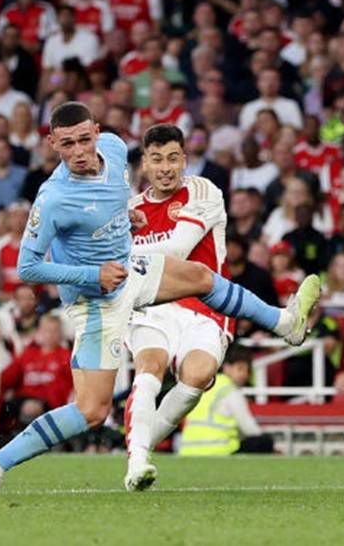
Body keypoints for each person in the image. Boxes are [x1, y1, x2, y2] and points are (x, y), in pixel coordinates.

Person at [0, 102, 321, 499]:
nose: (79, 151)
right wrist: (90, 275)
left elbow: (108, 206)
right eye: (67, 144)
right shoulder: (53, 199)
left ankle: (285, 324)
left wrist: (123, 221)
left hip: (129, 271)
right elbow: (28, 267)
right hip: (95, 299)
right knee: (92, 411)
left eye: (84, 139)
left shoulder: (113, 150)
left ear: (97, 132)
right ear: (51, 144)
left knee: (201, 277)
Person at [123, 124, 234, 490]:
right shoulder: (131, 209)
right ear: (144, 165)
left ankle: (138, 442)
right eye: (156, 159)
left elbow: (177, 250)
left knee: (199, 376)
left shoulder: (202, 190)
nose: (165, 167)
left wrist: (120, 250)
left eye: (173, 158)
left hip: (205, 306)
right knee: (150, 365)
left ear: (185, 160)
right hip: (152, 305)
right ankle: (137, 463)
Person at [177, 345, 273, 456]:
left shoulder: (205, 386)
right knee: (264, 442)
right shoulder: (230, 391)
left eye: (247, 370)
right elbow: (249, 428)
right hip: (219, 449)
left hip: (187, 449)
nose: (244, 374)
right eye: (240, 368)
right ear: (227, 367)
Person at [0, 314, 73, 436]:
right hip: (22, 400)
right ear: (39, 331)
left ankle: (24, 440)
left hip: (51, 405)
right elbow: (7, 378)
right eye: (46, 330)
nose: (50, 335)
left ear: (61, 334)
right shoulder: (28, 354)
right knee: (4, 407)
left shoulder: (67, 357)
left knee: (30, 407)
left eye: (54, 331)